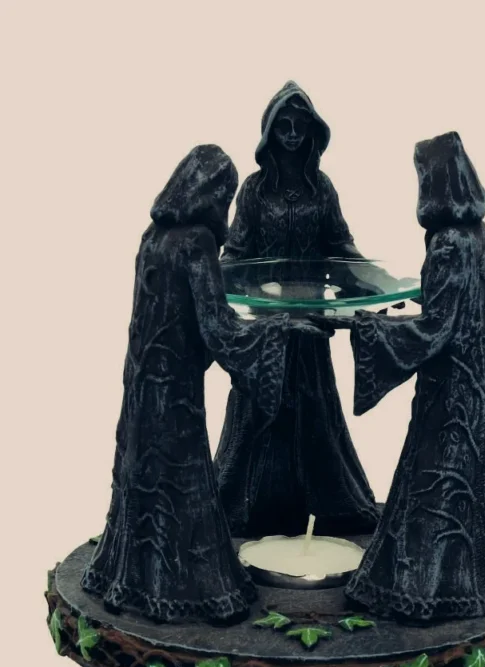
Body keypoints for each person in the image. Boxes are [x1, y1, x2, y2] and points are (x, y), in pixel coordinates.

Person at [81, 144, 320, 625]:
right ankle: (190, 591)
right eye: (225, 194)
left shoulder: (153, 237)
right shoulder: (196, 243)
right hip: (176, 393)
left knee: (142, 473)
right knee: (181, 476)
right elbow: (218, 330)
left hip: (142, 386)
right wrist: (279, 329)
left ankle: (129, 578)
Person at [315, 132, 485, 622]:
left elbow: (436, 328)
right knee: (470, 468)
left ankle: (423, 588)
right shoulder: (483, 236)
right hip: (478, 374)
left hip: (448, 384)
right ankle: (479, 572)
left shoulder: (448, 244)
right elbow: (482, 306)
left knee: (437, 473)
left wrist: (367, 327)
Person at [215, 81, 379, 539]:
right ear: (269, 132)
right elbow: (236, 252)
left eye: (299, 126)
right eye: (283, 126)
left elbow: (341, 247)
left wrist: (375, 280)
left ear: (312, 132)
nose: (291, 134)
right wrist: (214, 277)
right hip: (267, 328)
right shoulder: (254, 191)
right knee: (256, 412)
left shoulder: (321, 189)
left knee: (314, 412)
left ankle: (331, 508)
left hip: (312, 325)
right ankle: (237, 508)